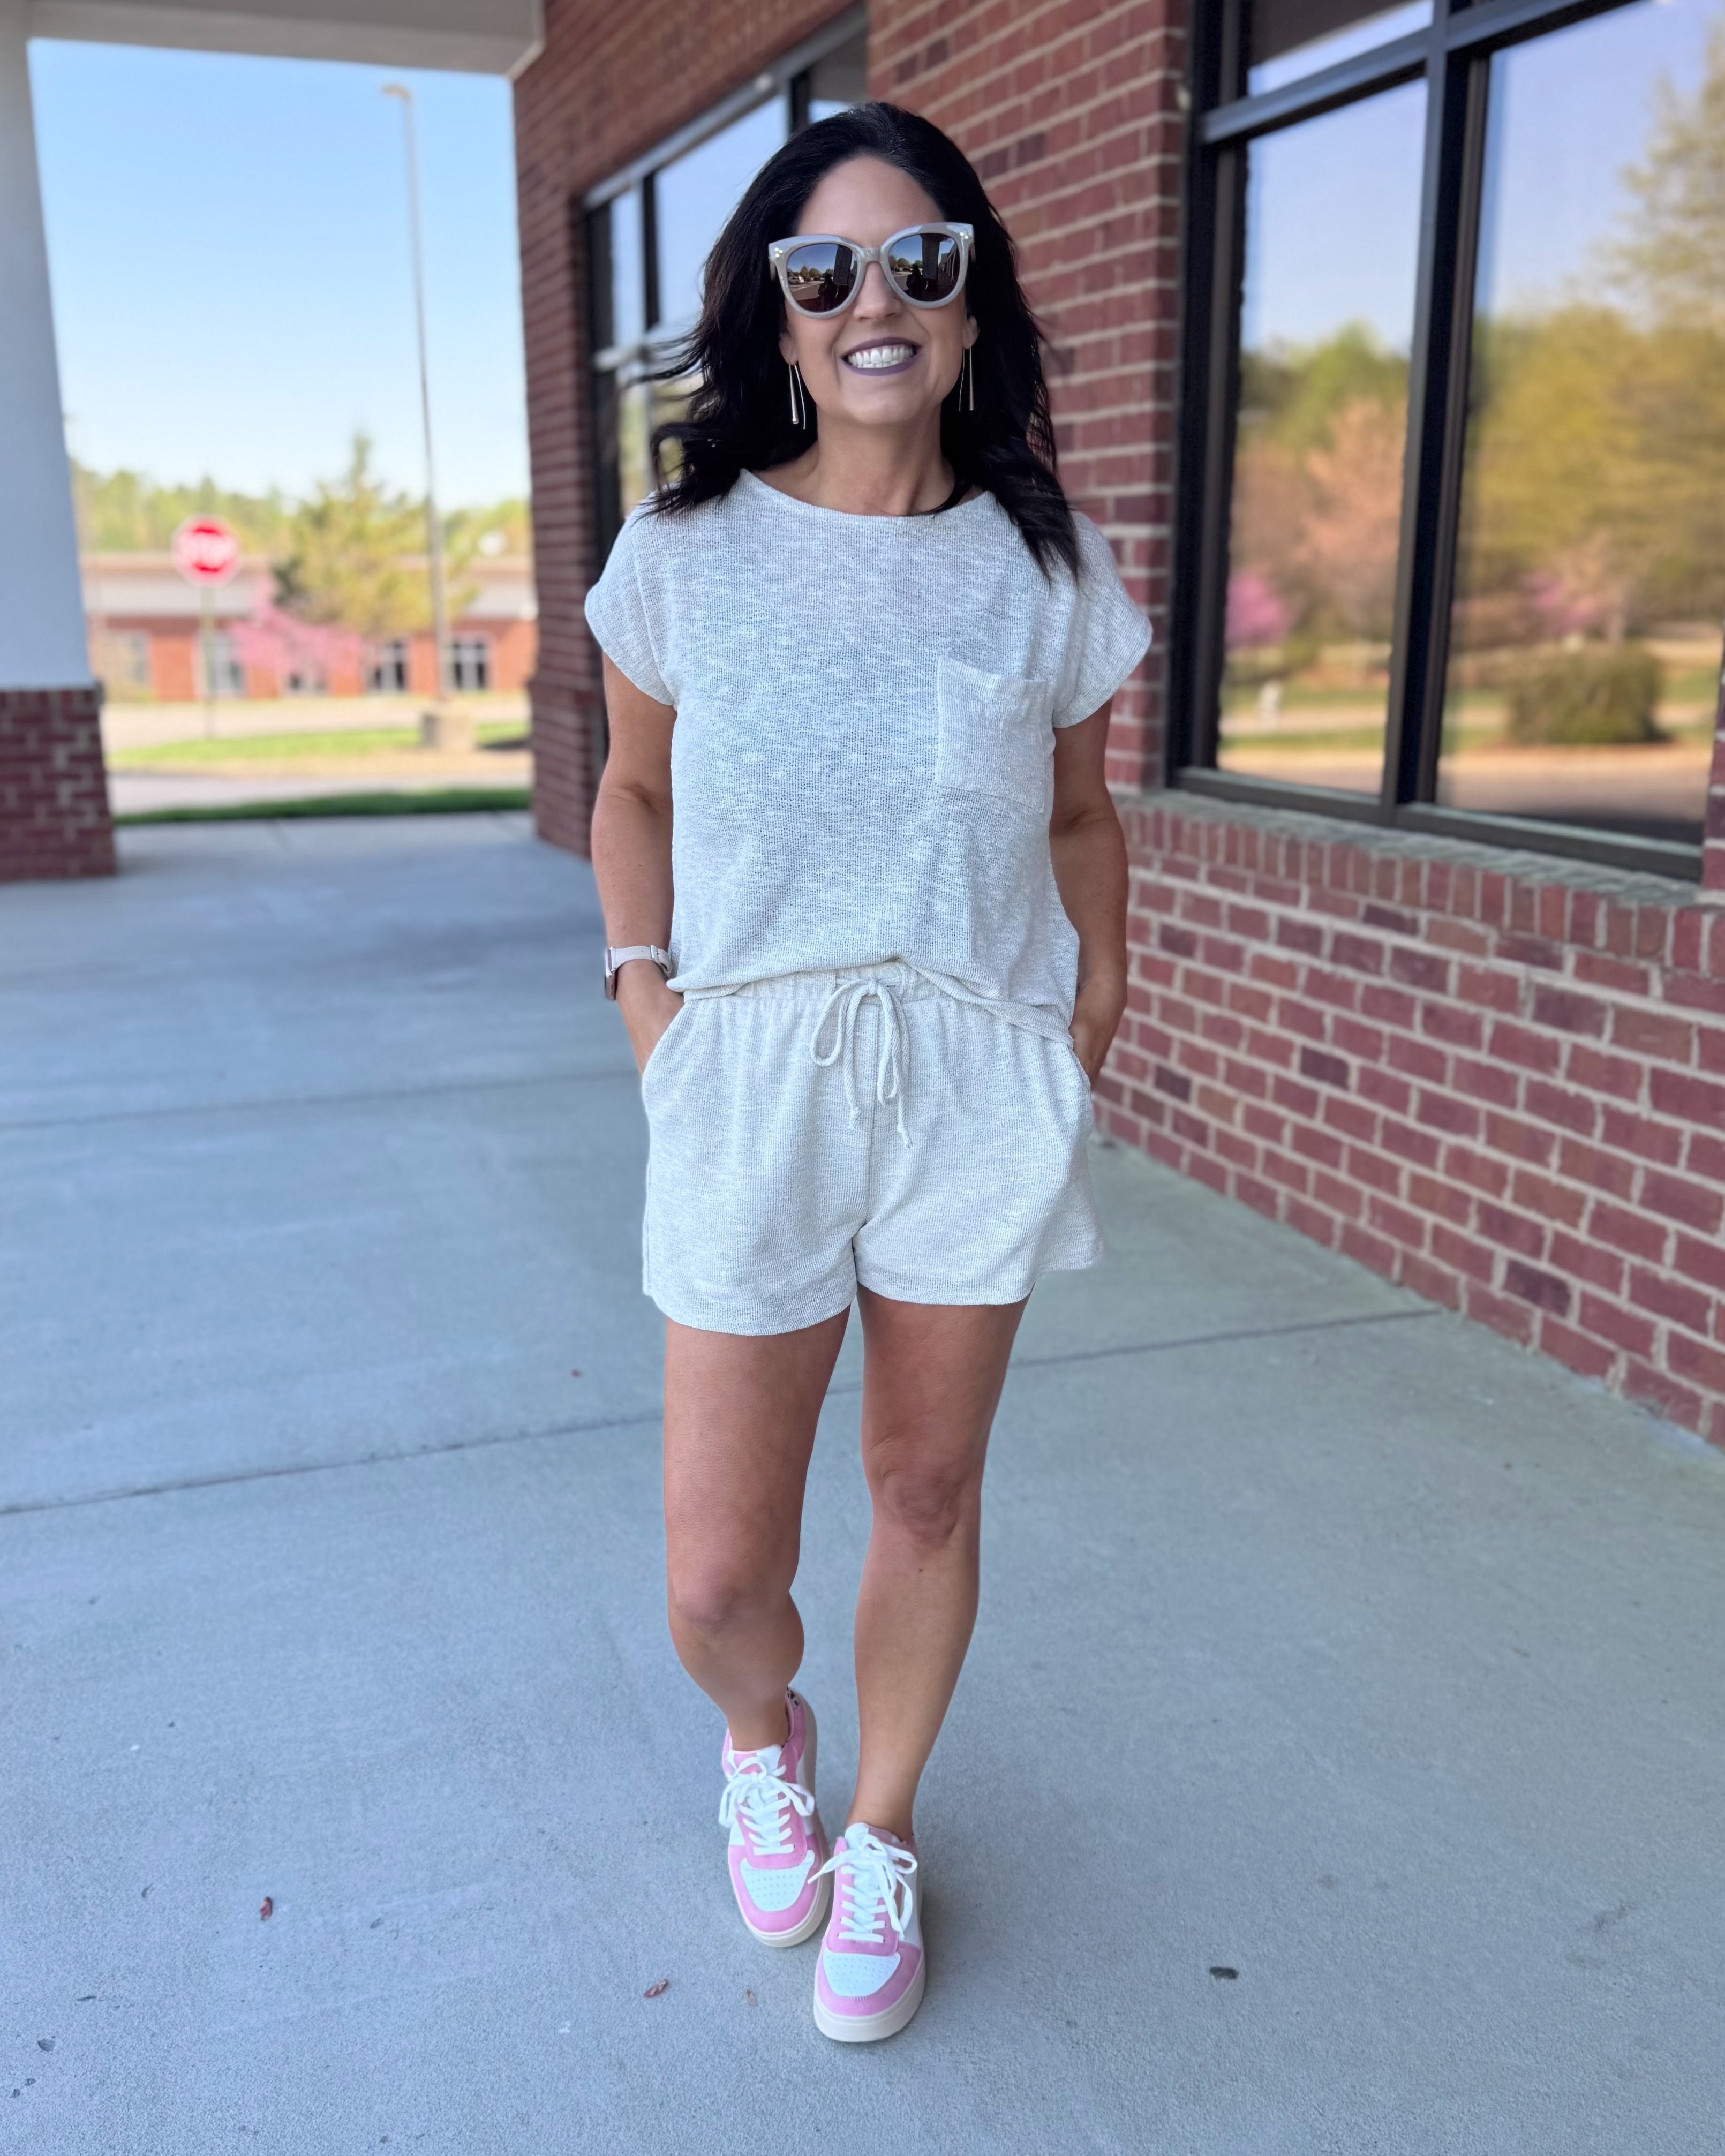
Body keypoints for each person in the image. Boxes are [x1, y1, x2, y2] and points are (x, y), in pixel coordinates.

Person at [585, 101, 1149, 2043]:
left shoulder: (1045, 571)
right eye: (824, 271)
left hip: (971, 1079)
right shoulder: (685, 554)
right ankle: (767, 1735)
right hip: (748, 1074)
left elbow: (1079, 818)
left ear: (972, 304)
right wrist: (646, 998)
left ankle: (885, 1826)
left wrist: (1092, 1007)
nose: (874, 301)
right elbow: (633, 792)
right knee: (717, 1572)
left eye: (921, 260)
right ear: (782, 314)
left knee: (925, 1485)